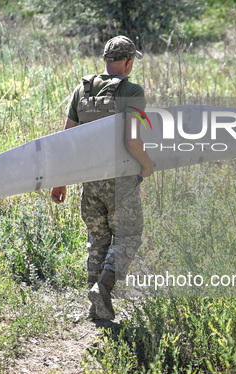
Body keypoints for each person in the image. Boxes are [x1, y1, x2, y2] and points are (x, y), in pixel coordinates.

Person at [50, 36, 154, 321]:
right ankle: (103, 287)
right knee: (129, 236)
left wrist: (60, 180)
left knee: (98, 240)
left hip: (89, 181)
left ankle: (96, 308)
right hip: (120, 180)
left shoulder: (82, 90)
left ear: (105, 60)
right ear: (129, 61)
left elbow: (66, 139)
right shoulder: (132, 91)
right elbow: (132, 141)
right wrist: (147, 165)